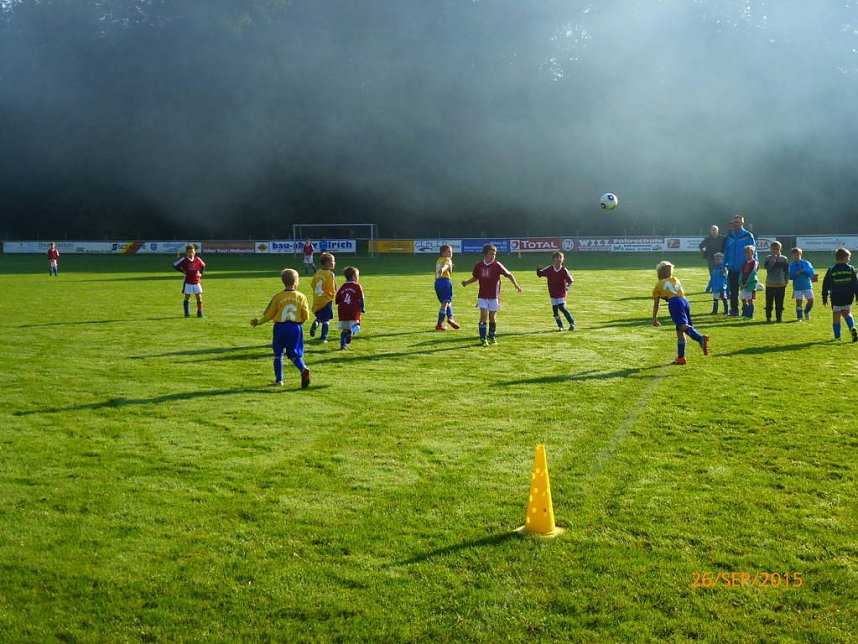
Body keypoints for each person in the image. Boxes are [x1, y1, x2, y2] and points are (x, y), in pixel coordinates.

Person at [249, 268, 311, 388]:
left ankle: (279, 380)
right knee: (294, 354)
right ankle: (303, 368)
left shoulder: (278, 297)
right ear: (295, 282)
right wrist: (299, 323)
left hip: (280, 327)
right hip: (295, 328)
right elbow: (306, 316)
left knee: (278, 354)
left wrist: (259, 322)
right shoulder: (301, 297)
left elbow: (270, 314)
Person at [461, 243, 522, 346]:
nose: (493, 256)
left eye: (494, 254)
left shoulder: (497, 265)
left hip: (494, 296)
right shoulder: (479, 265)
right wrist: (467, 282)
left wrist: (516, 285)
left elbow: (509, 274)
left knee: (492, 317)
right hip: (482, 295)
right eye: (491, 254)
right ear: (485, 254)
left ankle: (492, 336)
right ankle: (483, 338)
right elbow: (476, 277)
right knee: (483, 315)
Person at [651, 261, 710, 365]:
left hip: (675, 302)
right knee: (680, 329)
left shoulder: (659, 284)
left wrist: (654, 318)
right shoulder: (675, 279)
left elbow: (657, 303)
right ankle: (681, 357)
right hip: (685, 301)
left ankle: (700, 338)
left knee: (682, 326)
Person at [821, 247, 858, 342]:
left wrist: (824, 297)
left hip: (836, 297)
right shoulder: (851, 268)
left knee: (836, 315)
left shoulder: (831, 269)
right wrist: (857, 295)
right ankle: (852, 327)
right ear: (845, 257)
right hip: (848, 296)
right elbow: (855, 283)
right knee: (847, 313)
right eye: (848, 257)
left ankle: (837, 336)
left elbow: (825, 284)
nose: (849, 259)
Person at [722, 214, 756, 316]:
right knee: (733, 291)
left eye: (737, 222)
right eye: (734, 223)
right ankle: (734, 310)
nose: (735, 224)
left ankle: (746, 311)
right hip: (732, 268)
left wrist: (755, 264)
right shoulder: (730, 237)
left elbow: (754, 251)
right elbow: (726, 251)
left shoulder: (748, 236)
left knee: (745, 291)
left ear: (742, 223)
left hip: (745, 268)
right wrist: (724, 265)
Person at [536, 251, 575, 331]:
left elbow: (571, 280)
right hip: (553, 293)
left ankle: (572, 323)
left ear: (563, 259)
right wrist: (538, 270)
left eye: (560, 257)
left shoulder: (564, 270)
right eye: (557, 257)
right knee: (555, 311)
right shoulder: (549, 269)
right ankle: (560, 326)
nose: (559, 259)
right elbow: (540, 274)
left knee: (561, 307)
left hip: (561, 292)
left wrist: (568, 286)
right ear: (553, 259)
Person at [335, 266, 365, 350]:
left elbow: (337, 299)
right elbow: (361, 298)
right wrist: (362, 308)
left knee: (344, 329)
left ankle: (342, 345)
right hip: (353, 310)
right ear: (353, 276)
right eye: (357, 275)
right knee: (357, 326)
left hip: (343, 310)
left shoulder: (343, 286)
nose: (358, 277)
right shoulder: (357, 286)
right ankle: (351, 332)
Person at [172, 244, 206, 318]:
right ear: (187, 252)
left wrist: (201, 274)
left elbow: (203, 265)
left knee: (199, 296)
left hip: (197, 281)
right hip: (188, 282)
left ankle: (200, 313)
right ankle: (187, 314)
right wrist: (183, 271)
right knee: (187, 297)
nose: (191, 254)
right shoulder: (184, 260)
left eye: (193, 252)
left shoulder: (198, 259)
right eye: (190, 252)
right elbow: (174, 265)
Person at [309, 252, 337, 343]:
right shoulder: (330, 274)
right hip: (326, 300)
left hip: (317, 299)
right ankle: (323, 337)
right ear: (328, 263)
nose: (334, 263)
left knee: (320, 317)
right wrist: (333, 294)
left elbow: (312, 284)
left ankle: (316, 323)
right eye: (333, 261)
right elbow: (332, 288)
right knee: (326, 320)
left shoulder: (318, 272)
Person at [434, 244, 461, 331]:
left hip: (437, 283)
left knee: (446, 302)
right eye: (448, 251)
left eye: (451, 252)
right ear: (443, 252)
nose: (450, 253)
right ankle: (440, 323)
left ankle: (450, 318)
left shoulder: (438, 260)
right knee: (446, 302)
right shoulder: (447, 259)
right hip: (445, 282)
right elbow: (445, 265)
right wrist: (443, 269)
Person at [763, 241, 789, 323]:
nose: (775, 250)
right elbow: (768, 269)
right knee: (769, 302)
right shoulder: (768, 258)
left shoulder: (784, 259)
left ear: (780, 249)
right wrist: (773, 260)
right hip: (770, 284)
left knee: (779, 302)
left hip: (780, 284)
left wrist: (786, 280)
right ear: (771, 249)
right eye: (773, 249)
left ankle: (779, 318)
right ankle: (768, 317)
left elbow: (786, 271)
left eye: (777, 249)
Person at [789, 247, 816, 321]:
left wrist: (804, 271)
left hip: (807, 285)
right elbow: (790, 276)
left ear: (801, 254)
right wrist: (795, 274)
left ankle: (806, 311)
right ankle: (799, 317)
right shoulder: (792, 265)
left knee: (811, 300)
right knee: (798, 302)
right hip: (797, 286)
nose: (796, 256)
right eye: (794, 255)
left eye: (798, 255)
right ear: (792, 256)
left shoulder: (806, 263)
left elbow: (811, 272)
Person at [699, 225, 724, 291]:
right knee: (712, 274)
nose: (714, 231)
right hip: (710, 258)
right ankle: (714, 287)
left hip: (720, 259)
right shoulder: (707, 238)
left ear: (718, 231)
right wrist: (704, 253)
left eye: (715, 230)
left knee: (721, 273)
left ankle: (720, 287)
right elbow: (701, 246)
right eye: (712, 230)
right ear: (710, 231)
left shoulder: (722, 238)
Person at [737, 245, 759, 319]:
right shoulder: (744, 263)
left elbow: (753, 274)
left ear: (753, 253)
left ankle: (750, 314)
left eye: (749, 252)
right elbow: (741, 273)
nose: (748, 254)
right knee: (743, 299)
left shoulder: (755, 263)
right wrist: (740, 283)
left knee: (750, 300)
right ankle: (745, 313)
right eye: (746, 253)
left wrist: (747, 283)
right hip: (743, 284)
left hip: (750, 285)